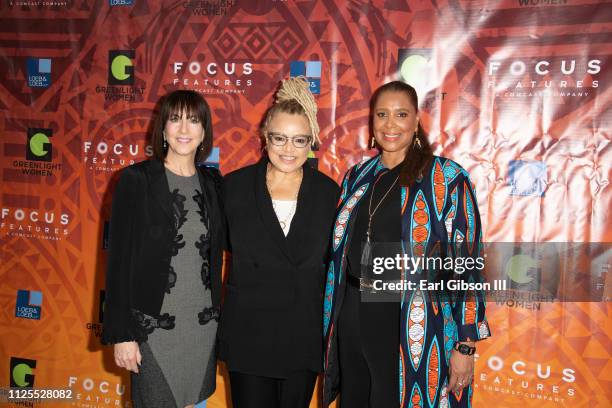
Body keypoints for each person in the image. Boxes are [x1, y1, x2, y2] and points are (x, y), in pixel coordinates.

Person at [322, 81, 491, 407]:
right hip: (353, 315)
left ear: (416, 121)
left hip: (412, 321)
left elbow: (466, 263)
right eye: (381, 114)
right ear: (372, 122)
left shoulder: (445, 177)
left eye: (401, 114)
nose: (390, 124)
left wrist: (466, 342)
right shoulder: (356, 176)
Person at [219, 77, 340, 408]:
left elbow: (338, 266)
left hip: (302, 336)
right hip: (249, 335)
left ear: (311, 142)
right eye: (280, 139)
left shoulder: (330, 194)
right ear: (265, 138)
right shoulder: (234, 188)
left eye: (299, 140)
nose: (289, 149)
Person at [101, 90, 225, 408]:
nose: (184, 129)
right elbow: (117, 265)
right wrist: (123, 335)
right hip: (153, 333)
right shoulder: (136, 180)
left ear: (204, 131)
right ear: (163, 128)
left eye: (193, 120)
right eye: (175, 119)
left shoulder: (213, 184)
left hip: (201, 332)